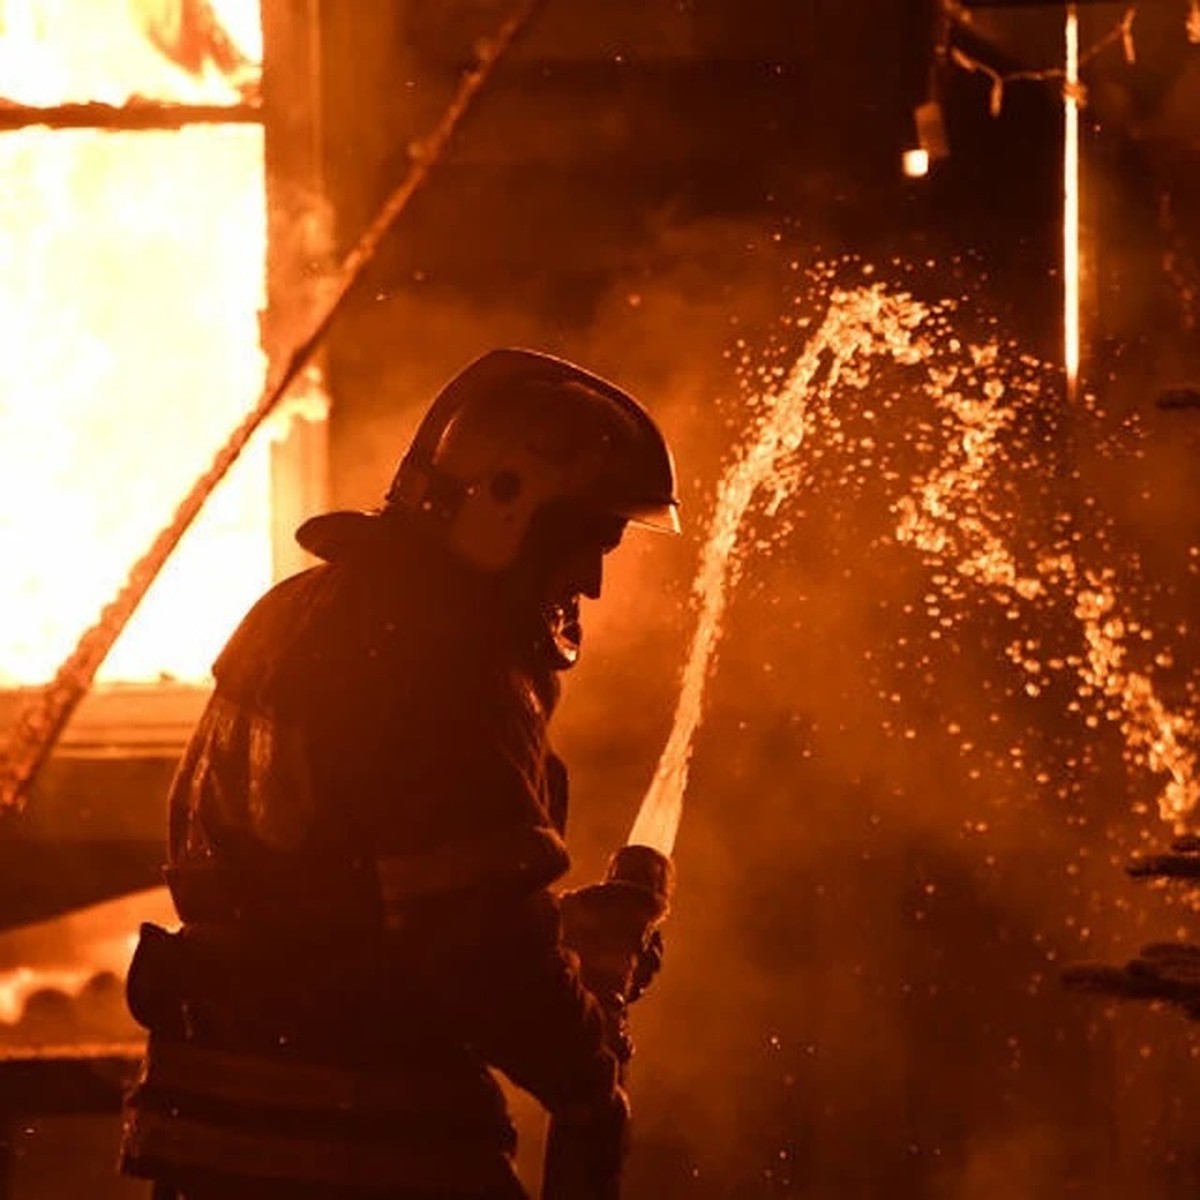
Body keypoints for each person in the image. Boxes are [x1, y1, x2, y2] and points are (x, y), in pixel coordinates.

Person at [117, 347, 681, 1200]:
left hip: (217, 1144)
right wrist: (586, 1073)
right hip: (360, 1146)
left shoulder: (302, 611)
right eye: (586, 539)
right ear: (506, 506)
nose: (593, 583)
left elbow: (339, 899)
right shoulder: (446, 663)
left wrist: (554, 932)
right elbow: (477, 950)